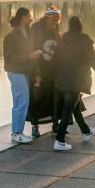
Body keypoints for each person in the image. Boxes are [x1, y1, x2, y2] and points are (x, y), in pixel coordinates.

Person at [53, 16, 95, 151]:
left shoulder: (62, 40)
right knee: (68, 110)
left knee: (74, 107)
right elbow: (93, 59)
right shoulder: (83, 40)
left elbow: (55, 60)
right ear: (80, 26)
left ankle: (86, 131)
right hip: (77, 79)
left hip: (62, 78)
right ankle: (59, 140)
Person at [3, 7, 43, 144]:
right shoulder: (11, 36)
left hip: (25, 71)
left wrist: (37, 73)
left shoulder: (29, 34)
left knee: (20, 101)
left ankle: (16, 132)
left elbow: (32, 57)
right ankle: (16, 133)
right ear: (22, 18)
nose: (31, 18)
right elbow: (9, 57)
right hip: (15, 72)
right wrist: (28, 56)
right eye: (29, 16)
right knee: (22, 100)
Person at [29, 7, 62, 137]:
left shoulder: (55, 29)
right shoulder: (37, 28)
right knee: (37, 98)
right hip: (39, 69)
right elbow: (32, 49)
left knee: (55, 97)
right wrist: (35, 73)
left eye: (57, 20)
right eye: (54, 20)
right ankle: (35, 126)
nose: (56, 23)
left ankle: (55, 124)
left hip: (52, 69)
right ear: (48, 18)